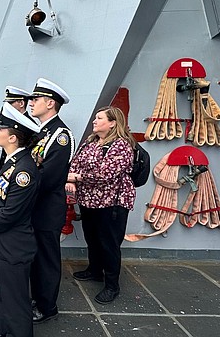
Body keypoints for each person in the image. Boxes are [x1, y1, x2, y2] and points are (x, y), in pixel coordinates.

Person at [0, 103, 41, 337]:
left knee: (15, 298)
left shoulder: (24, 171)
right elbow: (0, 201)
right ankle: (2, 331)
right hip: (5, 237)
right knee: (2, 289)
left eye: (0, 129)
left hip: (16, 242)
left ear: (13, 137)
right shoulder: (12, 162)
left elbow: (11, 212)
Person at [68, 106, 136, 305]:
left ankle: (112, 285)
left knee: (109, 244)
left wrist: (76, 177)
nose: (94, 121)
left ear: (113, 123)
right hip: (89, 201)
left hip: (112, 203)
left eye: (99, 118)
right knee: (92, 237)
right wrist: (73, 178)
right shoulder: (91, 142)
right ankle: (95, 270)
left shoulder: (121, 146)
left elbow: (105, 174)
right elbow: (75, 163)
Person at [27, 78, 74, 323]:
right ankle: (38, 297)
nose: (31, 103)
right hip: (35, 207)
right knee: (36, 257)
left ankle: (47, 307)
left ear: (50, 103)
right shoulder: (41, 132)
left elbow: (48, 177)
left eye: (36, 99)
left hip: (46, 209)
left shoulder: (60, 135)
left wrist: (20, 188)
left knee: (46, 259)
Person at [0, 86, 34, 170]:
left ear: (21, 103)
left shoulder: (29, 126)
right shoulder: (8, 120)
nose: (7, 106)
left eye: (10, 103)